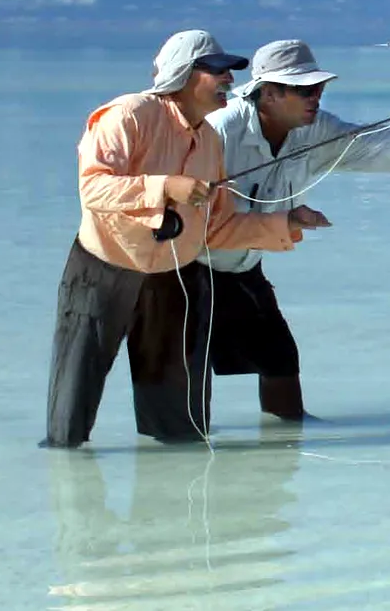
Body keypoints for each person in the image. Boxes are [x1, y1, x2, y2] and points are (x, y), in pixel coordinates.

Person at [41, 30, 331, 449]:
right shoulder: (128, 116)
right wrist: (165, 186)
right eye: (218, 71)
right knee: (73, 403)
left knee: (180, 426)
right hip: (102, 268)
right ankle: (64, 479)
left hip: (171, 275)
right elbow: (93, 190)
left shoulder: (210, 140)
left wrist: (285, 223)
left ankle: (174, 498)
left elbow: (215, 227)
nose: (231, 80)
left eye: (230, 71)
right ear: (183, 75)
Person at [198, 39, 390, 421]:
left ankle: (287, 444)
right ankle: (184, 456)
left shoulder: (315, 129)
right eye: (304, 90)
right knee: (183, 379)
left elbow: (373, 146)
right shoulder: (217, 131)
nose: (315, 97)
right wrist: (288, 221)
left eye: (319, 88)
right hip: (185, 269)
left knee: (279, 358)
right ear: (268, 93)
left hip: (243, 264)